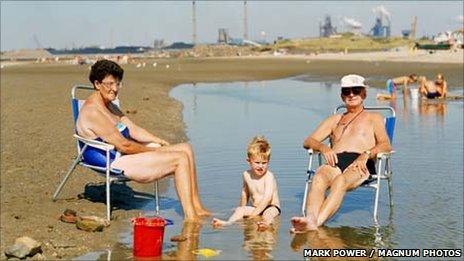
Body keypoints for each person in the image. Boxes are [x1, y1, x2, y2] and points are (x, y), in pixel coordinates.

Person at [76, 59, 210, 221]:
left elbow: (133, 129)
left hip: (121, 154)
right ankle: (191, 218)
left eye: (118, 84)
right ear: (97, 84)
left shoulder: (109, 105)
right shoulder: (93, 111)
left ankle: (198, 207)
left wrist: (159, 140)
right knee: (180, 159)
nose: (115, 89)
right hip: (112, 160)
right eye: (110, 84)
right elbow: (124, 145)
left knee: (186, 148)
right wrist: (156, 150)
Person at [291, 74, 392, 232]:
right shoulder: (334, 120)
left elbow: (386, 145)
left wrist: (366, 155)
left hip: (360, 161)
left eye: (356, 90)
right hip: (335, 160)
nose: (351, 94)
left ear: (364, 94)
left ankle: (315, 224)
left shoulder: (374, 118)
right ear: (341, 95)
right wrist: (324, 148)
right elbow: (308, 141)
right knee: (318, 177)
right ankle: (310, 219)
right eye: (346, 91)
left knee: (340, 181)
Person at [212, 136, 281, 231]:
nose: (261, 166)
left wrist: (252, 215)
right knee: (240, 210)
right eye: (257, 162)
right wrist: (242, 208)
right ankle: (228, 223)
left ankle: (266, 224)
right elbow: (245, 193)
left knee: (268, 214)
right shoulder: (246, 175)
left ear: (268, 162)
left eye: (264, 163)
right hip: (256, 207)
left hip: (271, 207)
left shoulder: (269, 176)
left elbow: (267, 198)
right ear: (249, 161)